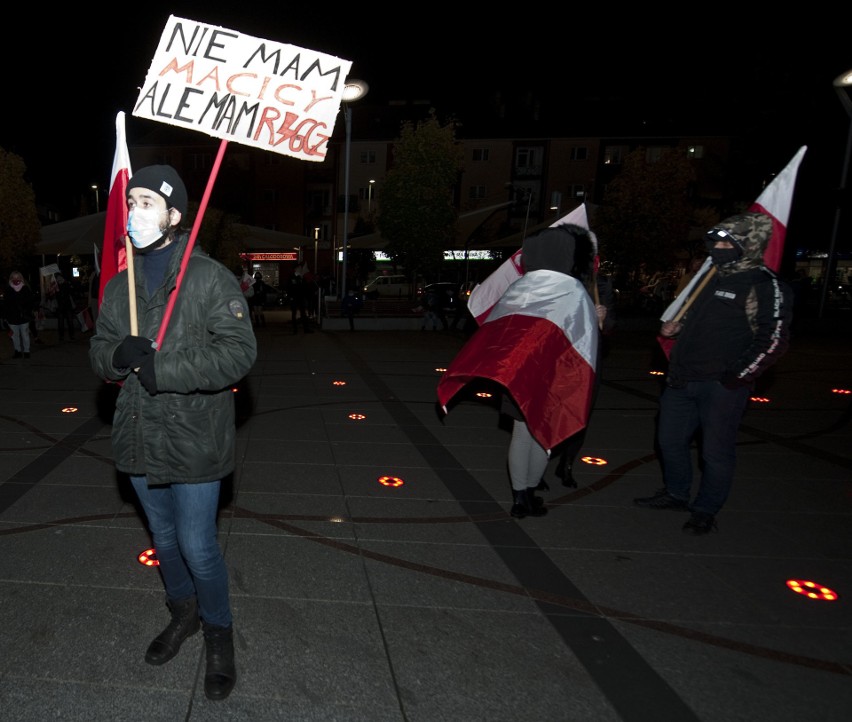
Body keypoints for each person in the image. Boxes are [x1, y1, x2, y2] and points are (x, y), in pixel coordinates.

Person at [89, 165, 257, 701]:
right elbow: (99, 351)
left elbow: (238, 352)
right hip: (138, 435)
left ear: (175, 216)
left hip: (193, 437)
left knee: (197, 545)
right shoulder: (121, 286)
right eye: (131, 201)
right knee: (162, 541)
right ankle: (181, 612)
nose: (133, 211)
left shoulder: (208, 277)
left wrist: (168, 370)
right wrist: (117, 357)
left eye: (145, 202)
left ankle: (218, 632)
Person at [633, 212, 792, 535]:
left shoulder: (764, 285)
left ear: (747, 245)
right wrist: (674, 330)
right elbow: (694, 319)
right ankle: (677, 493)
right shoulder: (709, 277)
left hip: (722, 385)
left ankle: (705, 509)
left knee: (715, 453)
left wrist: (736, 376)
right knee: (669, 441)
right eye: (715, 241)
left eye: (727, 242)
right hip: (682, 379)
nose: (718, 248)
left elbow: (773, 340)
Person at [498, 225, 597, 518]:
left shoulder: (520, 286)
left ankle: (519, 497)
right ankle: (527, 492)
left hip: (517, 371)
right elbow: (580, 337)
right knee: (543, 434)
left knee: (521, 433)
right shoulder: (572, 289)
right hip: (554, 373)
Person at [542, 272, 616, 488]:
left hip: (587, 360)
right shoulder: (557, 280)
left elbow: (610, 325)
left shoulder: (600, 284)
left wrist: (603, 318)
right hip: (559, 358)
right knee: (551, 414)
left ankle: (566, 465)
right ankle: (538, 468)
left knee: (580, 414)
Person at [3, 270, 35, 359]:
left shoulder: (25, 288)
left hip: (23, 317)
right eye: (14, 277)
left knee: (25, 334)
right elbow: (5, 304)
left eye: (18, 277)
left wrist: (26, 310)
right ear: (11, 278)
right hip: (12, 317)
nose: (16, 279)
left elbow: (31, 303)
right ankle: (17, 351)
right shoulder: (8, 289)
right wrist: (5, 317)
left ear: (21, 278)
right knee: (14, 336)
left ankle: (26, 351)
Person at [55, 272, 76, 341]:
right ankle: (61, 336)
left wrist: (61, 289)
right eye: (57, 278)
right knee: (60, 322)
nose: (59, 278)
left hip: (67, 306)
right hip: (60, 306)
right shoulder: (56, 286)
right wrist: (57, 291)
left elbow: (69, 293)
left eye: (60, 277)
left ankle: (72, 335)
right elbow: (56, 297)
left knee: (70, 321)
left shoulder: (67, 284)